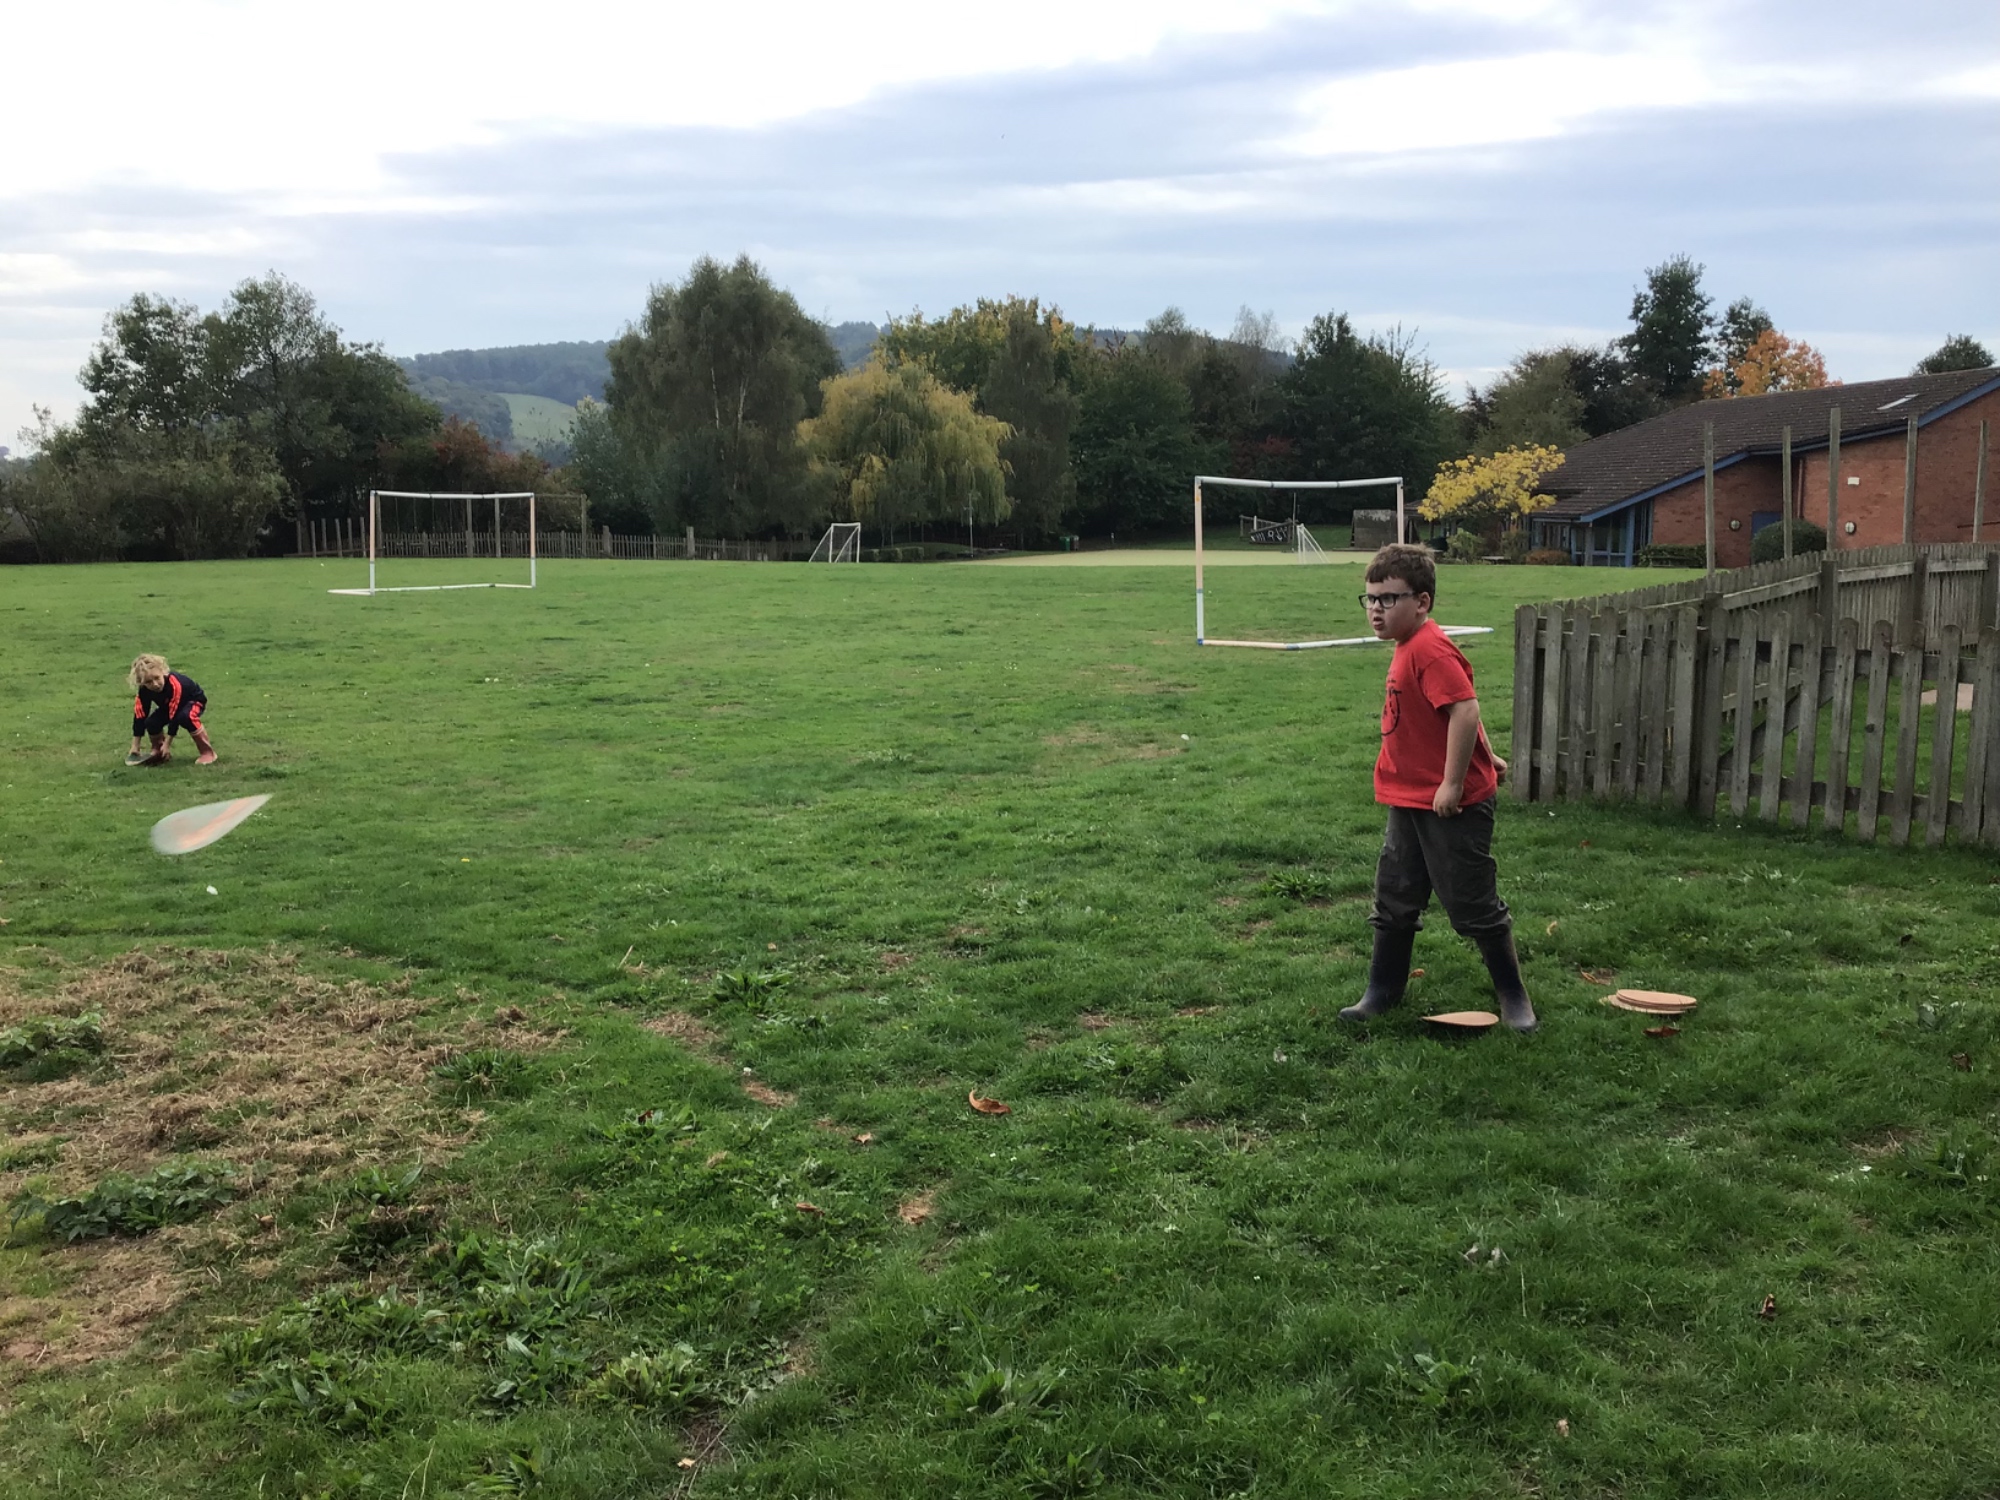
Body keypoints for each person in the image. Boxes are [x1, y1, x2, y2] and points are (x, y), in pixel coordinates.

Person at [1338, 544, 1535, 1031]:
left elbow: (1465, 708)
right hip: (1407, 797)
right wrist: (1489, 753)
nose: (1376, 610)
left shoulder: (1429, 649)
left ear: (1422, 601)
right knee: (1396, 894)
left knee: (1470, 901)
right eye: (1370, 599)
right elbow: (1451, 709)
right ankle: (1382, 991)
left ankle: (1514, 997)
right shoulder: (1408, 644)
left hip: (1451, 804)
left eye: (1388, 599)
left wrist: (1452, 782)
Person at [127, 654, 217, 766]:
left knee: (186, 717)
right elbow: (140, 715)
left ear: (163, 672)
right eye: (148, 682)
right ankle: (159, 751)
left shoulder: (174, 684)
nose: (155, 684)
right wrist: (135, 746)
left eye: (157, 678)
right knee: (152, 722)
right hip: (169, 706)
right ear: (142, 682)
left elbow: (174, 716)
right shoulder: (144, 690)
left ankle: (207, 752)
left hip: (193, 701)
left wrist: (168, 743)